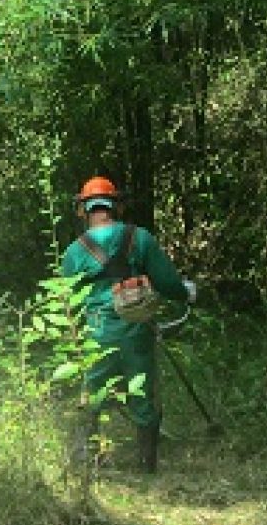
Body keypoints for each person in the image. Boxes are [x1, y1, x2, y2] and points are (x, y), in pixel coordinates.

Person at [60, 176, 197, 473]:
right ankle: (147, 466)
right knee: (142, 392)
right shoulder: (140, 238)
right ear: (115, 206)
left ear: (83, 209)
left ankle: (89, 464)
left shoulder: (74, 251)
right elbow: (168, 281)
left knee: (93, 395)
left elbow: (66, 302)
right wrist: (184, 291)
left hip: (96, 332)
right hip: (137, 328)